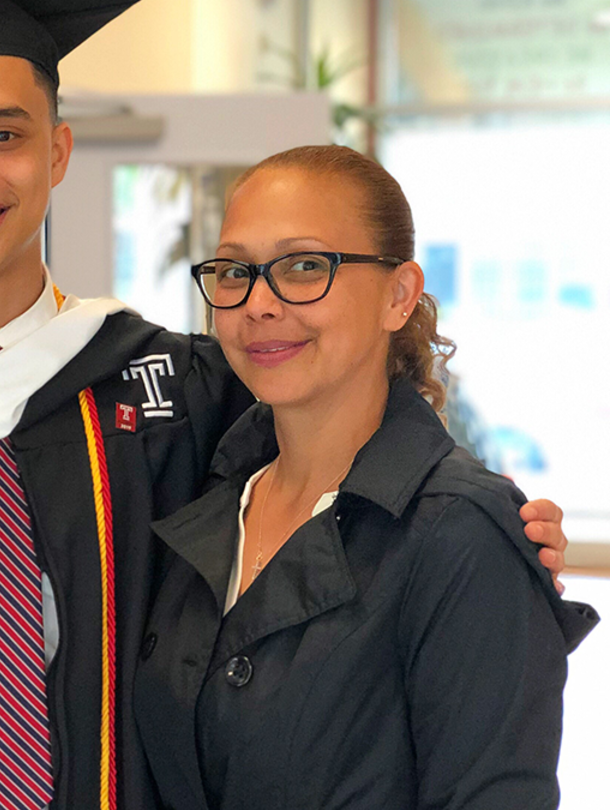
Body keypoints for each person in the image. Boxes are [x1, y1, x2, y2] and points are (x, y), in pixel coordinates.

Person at [0, 3, 575, 809]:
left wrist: (490, 524)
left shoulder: (169, 388)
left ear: (57, 152)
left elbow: (343, 454)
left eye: (5, 134)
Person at [132, 145, 598, 810]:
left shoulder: (459, 533)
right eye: (235, 271)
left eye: (304, 267)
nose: (258, 303)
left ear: (398, 294)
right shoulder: (207, 501)